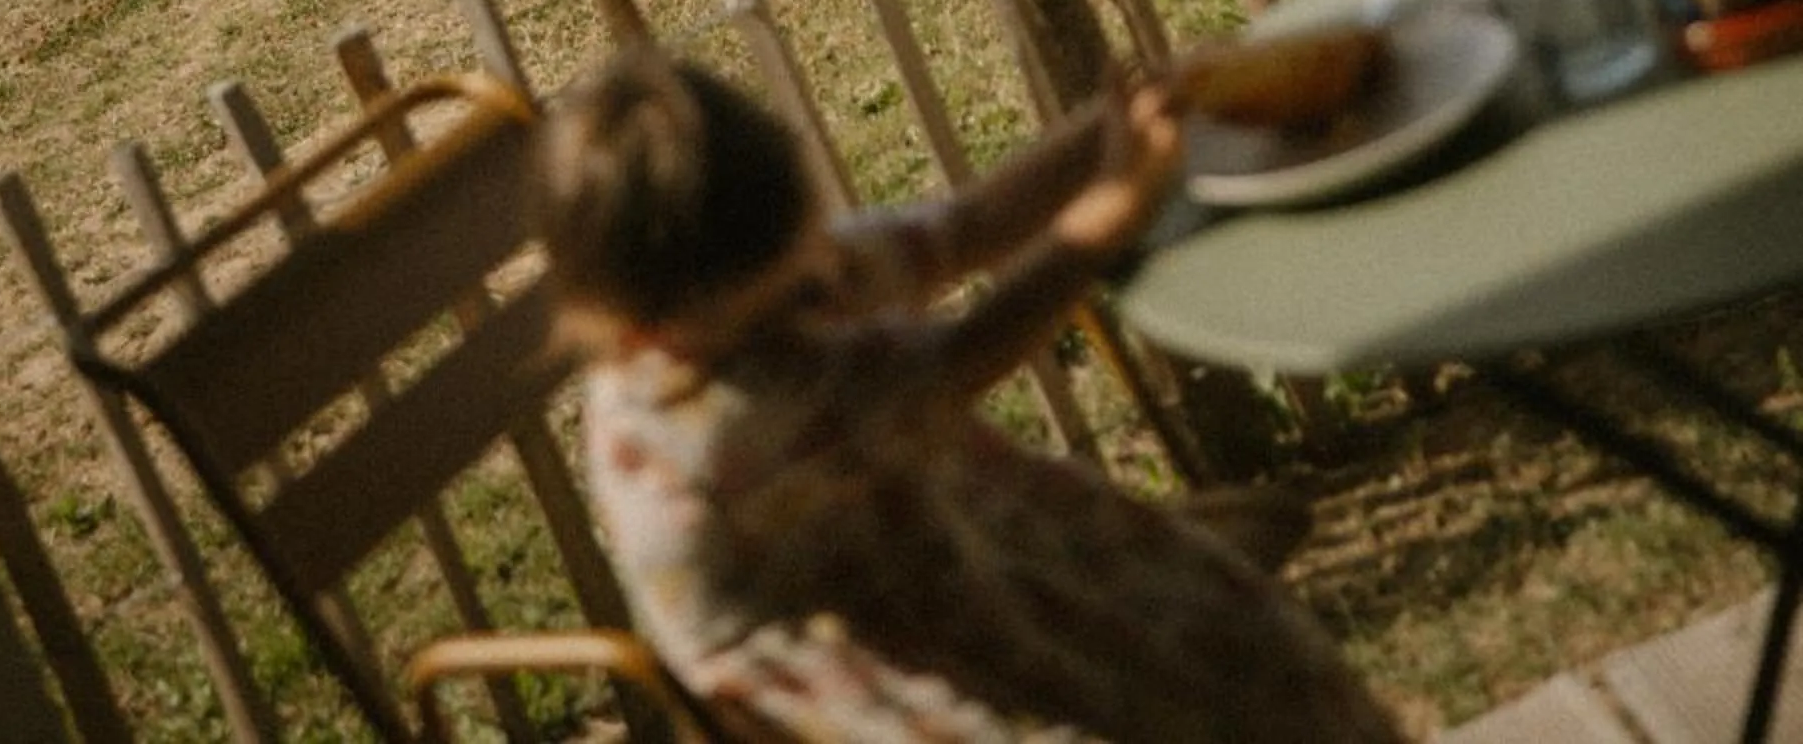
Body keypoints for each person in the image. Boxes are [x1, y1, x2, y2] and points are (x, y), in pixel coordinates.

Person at [537, 45, 1405, 744]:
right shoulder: (720, 415)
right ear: (649, 327)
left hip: (946, 547)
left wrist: (1113, 128)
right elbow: (963, 357)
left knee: (1244, 639)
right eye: (782, 302)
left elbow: (967, 229)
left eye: (807, 262)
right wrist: (1109, 210)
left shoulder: (763, 282)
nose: (821, 292)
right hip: (856, 674)